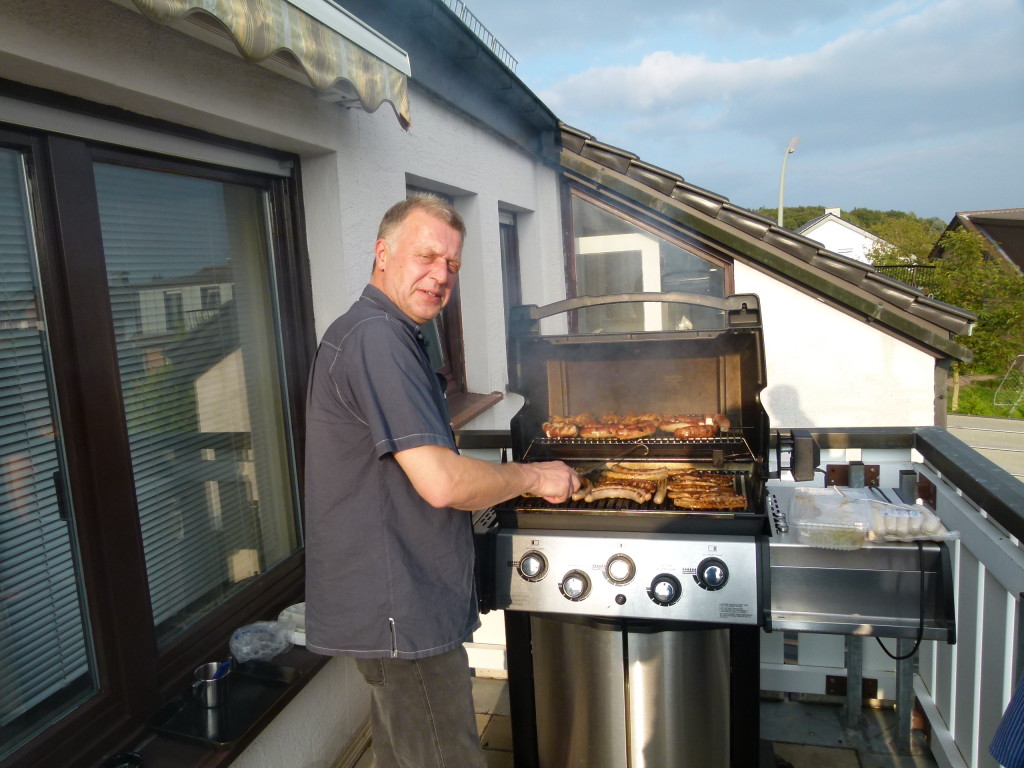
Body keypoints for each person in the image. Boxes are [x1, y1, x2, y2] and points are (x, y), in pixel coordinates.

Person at [304, 195, 580, 768]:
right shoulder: (376, 338)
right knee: (442, 755)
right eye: (426, 257)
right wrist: (535, 476)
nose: (440, 275)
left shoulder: (388, 332)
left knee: (403, 752)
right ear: (383, 253)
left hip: (395, 602)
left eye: (451, 264)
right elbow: (442, 484)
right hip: (400, 604)